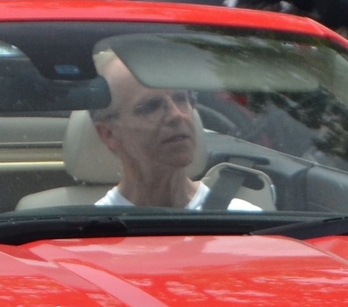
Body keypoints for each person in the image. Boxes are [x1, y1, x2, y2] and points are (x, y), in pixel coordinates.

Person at [89, 49, 263, 211]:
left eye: (180, 98)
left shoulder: (245, 223)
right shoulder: (89, 235)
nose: (177, 115)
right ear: (108, 134)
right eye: (151, 106)